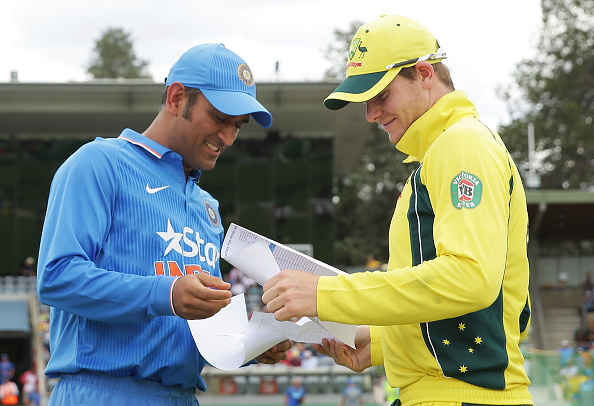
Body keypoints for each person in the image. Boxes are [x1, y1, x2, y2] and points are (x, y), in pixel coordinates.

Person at [262, 15, 532, 406]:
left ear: (424, 73)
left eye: (381, 95)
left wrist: (325, 293)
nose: (370, 113)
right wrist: (383, 343)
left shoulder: (461, 145)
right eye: (365, 100)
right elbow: (462, 302)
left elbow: (471, 278)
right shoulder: (447, 149)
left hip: (461, 396)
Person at [37, 43, 291, 406]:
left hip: (182, 397)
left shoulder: (207, 207)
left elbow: (199, 326)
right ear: (176, 98)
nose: (228, 137)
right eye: (219, 117)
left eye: (238, 126)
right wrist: (167, 294)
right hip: (101, 393)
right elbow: (57, 278)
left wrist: (251, 344)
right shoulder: (99, 163)